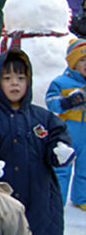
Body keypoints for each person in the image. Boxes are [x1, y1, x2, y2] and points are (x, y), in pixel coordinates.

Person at [0, 49, 74, 235]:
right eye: (8, 78)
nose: (15, 83)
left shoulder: (42, 117)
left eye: (20, 78)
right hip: (2, 194)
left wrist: (59, 150)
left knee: (42, 234)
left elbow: (57, 137)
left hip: (39, 192)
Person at [46, 39, 86, 208]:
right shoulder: (62, 82)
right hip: (69, 128)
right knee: (63, 166)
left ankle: (82, 198)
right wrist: (67, 103)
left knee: (85, 167)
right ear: (73, 62)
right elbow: (51, 102)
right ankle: (57, 200)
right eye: (82, 60)